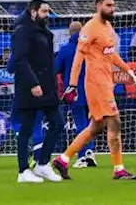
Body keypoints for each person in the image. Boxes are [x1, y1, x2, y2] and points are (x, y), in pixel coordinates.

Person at [52, 0, 136, 181]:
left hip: (106, 82)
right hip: (96, 84)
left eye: (113, 5)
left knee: (95, 128)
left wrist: (128, 70)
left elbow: (111, 54)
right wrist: (72, 84)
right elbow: (78, 57)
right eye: (109, 5)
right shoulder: (90, 28)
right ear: (98, 6)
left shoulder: (108, 27)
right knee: (115, 123)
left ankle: (63, 159)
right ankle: (119, 169)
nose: (112, 8)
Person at [9, 0, 66, 184]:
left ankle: (42, 163)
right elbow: (20, 60)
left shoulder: (44, 32)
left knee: (58, 123)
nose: (47, 15)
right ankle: (23, 170)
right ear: (33, 12)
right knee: (26, 128)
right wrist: (33, 83)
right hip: (29, 87)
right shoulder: (22, 31)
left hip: (47, 87)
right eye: (44, 11)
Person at [54, 21, 96, 168]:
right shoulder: (91, 47)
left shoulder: (65, 50)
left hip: (75, 91)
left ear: (69, 33)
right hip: (93, 90)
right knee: (91, 122)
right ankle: (90, 151)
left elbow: (56, 69)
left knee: (80, 123)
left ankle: (83, 156)